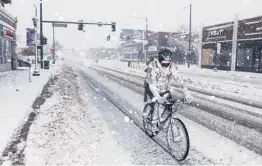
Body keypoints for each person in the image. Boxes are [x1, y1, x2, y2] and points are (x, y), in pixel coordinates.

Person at [144, 48, 192, 134]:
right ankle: (154, 123)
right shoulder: (153, 65)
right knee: (158, 104)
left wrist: (186, 92)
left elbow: (179, 79)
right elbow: (152, 83)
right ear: (159, 60)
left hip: (164, 88)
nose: (166, 66)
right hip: (151, 87)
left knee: (169, 104)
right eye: (164, 63)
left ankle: (162, 119)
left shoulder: (172, 66)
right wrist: (157, 96)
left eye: (168, 63)